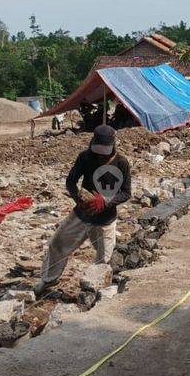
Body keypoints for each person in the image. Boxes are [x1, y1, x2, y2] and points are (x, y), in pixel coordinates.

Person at [33, 125, 131, 294]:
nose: (100, 155)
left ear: (113, 145)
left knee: (103, 260)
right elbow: (71, 181)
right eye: (98, 151)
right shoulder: (85, 157)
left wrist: (106, 201)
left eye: (104, 152)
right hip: (82, 214)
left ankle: (96, 292)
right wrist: (78, 199)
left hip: (105, 220)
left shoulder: (121, 163)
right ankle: (48, 280)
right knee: (58, 243)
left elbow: (126, 193)